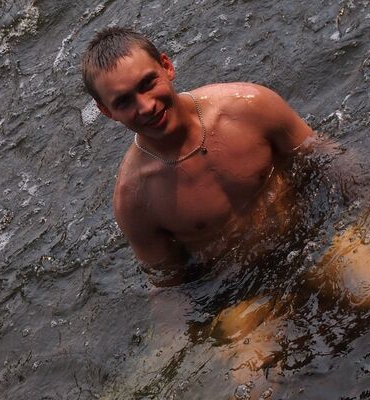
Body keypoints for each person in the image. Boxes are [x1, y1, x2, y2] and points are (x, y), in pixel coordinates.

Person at [81, 26, 327, 272]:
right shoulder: (134, 199)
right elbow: (168, 279)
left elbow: (328, 160)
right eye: (124, 101)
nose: (146, 107)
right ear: (107, 111)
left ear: (167, 66)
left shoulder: (250, 107)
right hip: (245, 281)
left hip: (315, 234)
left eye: (147, 83)